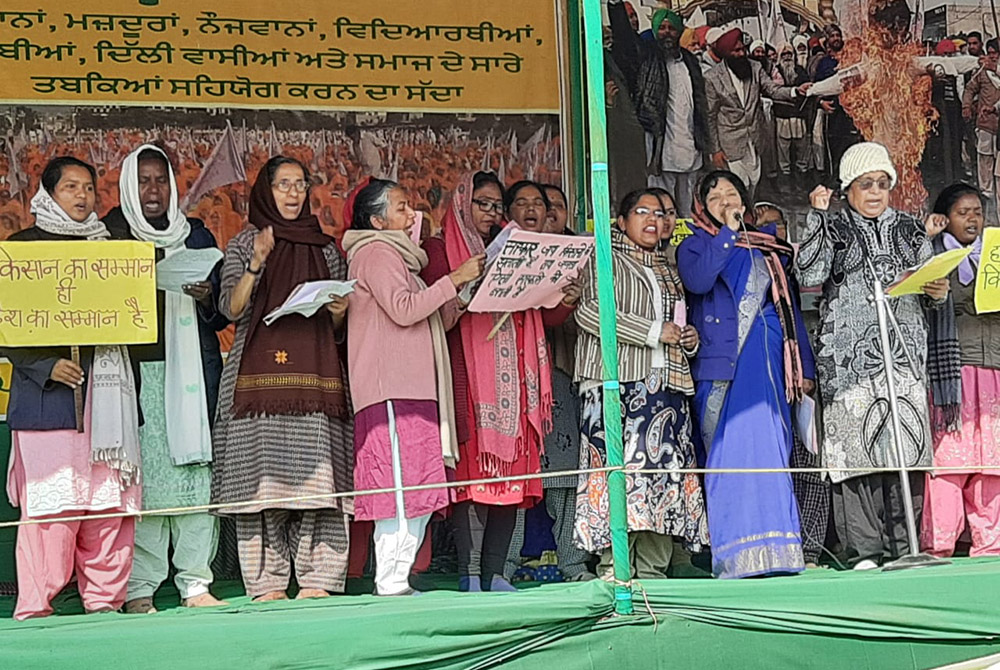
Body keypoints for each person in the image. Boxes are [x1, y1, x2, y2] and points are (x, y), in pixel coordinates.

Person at [797, 142, 949, 570]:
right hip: (849, 362)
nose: (876, 192)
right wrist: (817, 218)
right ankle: (864, 552)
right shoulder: (834, 225)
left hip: (901, 354)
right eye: (867, 185)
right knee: (857, 451)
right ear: (848, 188)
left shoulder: (908, 227)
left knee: (904, 445)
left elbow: (929, 281)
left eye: (883, 184)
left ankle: (907, 545)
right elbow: (808, 274)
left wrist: (936, 291)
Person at [2, 157, 140, 620]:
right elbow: (7, 327)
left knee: (108, 508)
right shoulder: (21, 250)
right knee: (53, 511)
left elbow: (135, 316)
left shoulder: (115, 250)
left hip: (108, 403)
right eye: (71, 188)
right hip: (48, 406)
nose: (83, 197)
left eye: (89, 189)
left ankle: (104, 602)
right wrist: (46, 364)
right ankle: (36, 606)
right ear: (48, 194)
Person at [422, 171, 573, 592]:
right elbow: (438, 313)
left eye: (494, 206)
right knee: (475, 481)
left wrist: (564, 294)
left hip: (518, 387)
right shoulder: (440, 249)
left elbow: (544, 314)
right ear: (462, 205)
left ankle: (497, 574)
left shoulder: (513, 247)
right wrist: (467, 279)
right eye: (481, 204)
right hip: (470, 381)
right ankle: (470, 574)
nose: (489, 213)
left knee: (512, 482)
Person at [211, 156, 353, 601]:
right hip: (255, 385)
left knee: (321, 486)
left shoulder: (326, 248)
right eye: (283, 185)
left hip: (316, 382)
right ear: (265, 192)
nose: (293, 194)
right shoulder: (242, 244)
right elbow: (230, 309)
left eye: (299, 185)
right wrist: (256, 263)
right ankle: (266, 582)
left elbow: (337, 328)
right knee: (260, 485)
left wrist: (340, 313)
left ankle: (319, 579)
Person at [342, 179, 483, 596]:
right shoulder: (376, 252)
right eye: (401, 208)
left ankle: (397, 576)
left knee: (418, 483)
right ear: (376, 219)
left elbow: (434, 317)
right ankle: (390, 579)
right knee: (399, 486)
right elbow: (404, 311)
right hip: (391, 389)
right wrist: (453, 278)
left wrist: (463, 288)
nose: (411, 216)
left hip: (414, 387)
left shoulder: (404, 261)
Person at [103, 145, 228, 613]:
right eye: (143, 180)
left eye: (161, 181)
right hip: (139, 373)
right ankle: (141, 588)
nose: (153, 191)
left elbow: (218, 318)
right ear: (127, 185)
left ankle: (196, 582)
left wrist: (204, 295)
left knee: (196, 476)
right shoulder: (110, 234)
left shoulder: (194, 234)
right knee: (148, 481)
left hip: (193, 371)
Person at [677, 170, 816, 578]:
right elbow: (699, 281)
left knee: (770, 449)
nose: (725, 199)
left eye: (732, 192)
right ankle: (735, 557)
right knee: (728, 455)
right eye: (715, 194)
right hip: (724, 368)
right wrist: (726, 235)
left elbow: (788, 310)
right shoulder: (695, 245)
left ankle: (781, 553)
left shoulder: (767, 246)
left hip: (771, 363)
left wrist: (803, 367)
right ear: (702, 205)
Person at [575, 188, 709, 580]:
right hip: (618, 385)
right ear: (621, 220)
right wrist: (655, 331)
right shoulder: (604, 258)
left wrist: (688, 338)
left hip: (666, 385)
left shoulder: (666, 266)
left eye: (660, 213)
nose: (653, 220)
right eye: (642, 212)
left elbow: (678, 322)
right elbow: (590, 313)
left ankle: (652, 569)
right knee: (620, 476)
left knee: (662, 479)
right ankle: (614, 566)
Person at [505, 187, 594, 583]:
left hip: (558, 376)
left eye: (543, 206)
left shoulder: (572, 255)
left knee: (562, 470)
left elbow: (557, 316)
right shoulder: (501, 253)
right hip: (507, 379)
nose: (536, 212)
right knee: (513, 477)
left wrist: (571, 299)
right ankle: (502, 565)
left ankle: (572, 562)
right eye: (523, 204)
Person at [921, 183, 1000, 557]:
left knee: (992, 464)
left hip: (995, 367)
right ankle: (939, 546)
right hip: (954, 372)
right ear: (945, 218)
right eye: (963, 212)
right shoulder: (934, 255)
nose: (972, 219)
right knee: (950, 460)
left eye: (977, 212)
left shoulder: (995, 257)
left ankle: (991, 545)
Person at [755, 201, 831, 568]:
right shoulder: (753, 265)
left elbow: (798, 324)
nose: (773, 231)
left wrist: (809, 372)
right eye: (763, 224)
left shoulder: (791, 267)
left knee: (810, 463)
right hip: (764, 381)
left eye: (778, 224)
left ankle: (812, 548)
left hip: (799, 378)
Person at [608, 0, 708, 217]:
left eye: (671, 28)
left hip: (690, 149)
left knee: (686, 212)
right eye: (661, 28)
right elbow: (624, 37)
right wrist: (615, 6)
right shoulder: (646, 56)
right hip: (661, 147)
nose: (667, 33)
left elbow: (700, 105)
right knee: (661, 207)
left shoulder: (690, 61)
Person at [705, 29, 809, 198]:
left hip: (754, 138)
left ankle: (750, 214)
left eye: (743, 49)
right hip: (730, 142)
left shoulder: (754, 68)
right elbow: (710, 116)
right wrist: (715, 150)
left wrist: (795, 91)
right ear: (726, 54)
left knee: (754, 182)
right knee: (739, 186)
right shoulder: (712, 77)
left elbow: (773, 89)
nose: (741, 54)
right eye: (736, 51)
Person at [961, 39, 1000, 199]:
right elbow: (970, 88)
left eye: (995, 53)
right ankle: (986, 191)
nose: (992, 57)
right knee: (985, 157)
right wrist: (966, 106)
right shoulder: (982, 71)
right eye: (989, 53)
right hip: (985, 122)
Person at [774, 43, 812, 185]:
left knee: (801, 148)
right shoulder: (775, 71)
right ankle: (785, 180)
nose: (787, 57)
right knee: (783, 149)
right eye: (784, 55)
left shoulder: (800, 70)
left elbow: (808, 90)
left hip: (798, 115)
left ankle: (801, 180)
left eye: (789, 54)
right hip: (782, 116)